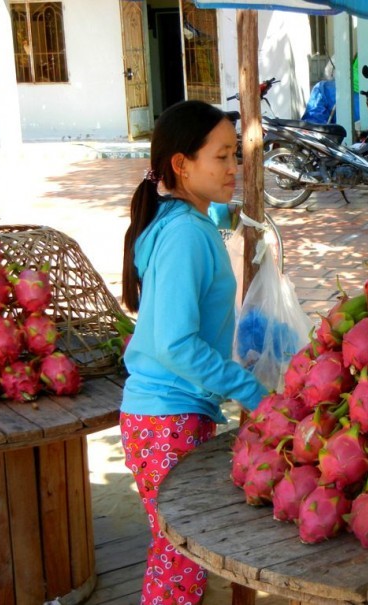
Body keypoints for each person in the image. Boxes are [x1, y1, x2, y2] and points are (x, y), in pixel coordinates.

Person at [119, 99, 268, 605]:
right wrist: (252, 391)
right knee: (180, 558)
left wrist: (236, 217)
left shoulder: (180, 218)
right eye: (221, 157)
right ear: (182, 164)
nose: (234, 169)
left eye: (235, 157)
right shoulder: (184, 235)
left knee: (177, 551)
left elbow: (202, 218)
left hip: (166, 413)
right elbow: (177, 343)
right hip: (167, 416)